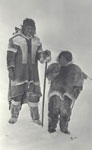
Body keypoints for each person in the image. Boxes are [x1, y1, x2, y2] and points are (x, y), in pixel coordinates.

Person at [7, 18, 51, 125]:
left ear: (34, 29)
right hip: (19, 72)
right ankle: (14, 116)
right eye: (27, 28)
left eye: (32, 29)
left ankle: (35, 118)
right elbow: (10, 57)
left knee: (33, 94)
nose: (30, 31)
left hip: (32, 73)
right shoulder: (15, 39)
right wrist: (10, 69)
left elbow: (40, 58)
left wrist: (45, 55)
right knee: (16, 94)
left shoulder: (37, 41)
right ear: (23, 27)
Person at [46, 51, 87, 133]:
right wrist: (52, 73)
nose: (62, 60)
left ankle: (64, 128)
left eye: (64, 59)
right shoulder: (55, 66)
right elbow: (49, 76)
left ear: (69, 60)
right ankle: (52, 126)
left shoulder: (75, 68)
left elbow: (78, 79)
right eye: (60, 58)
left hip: (67, 94)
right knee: (53, 110)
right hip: (55, 92)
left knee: (65, 112)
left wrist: (77, 88)